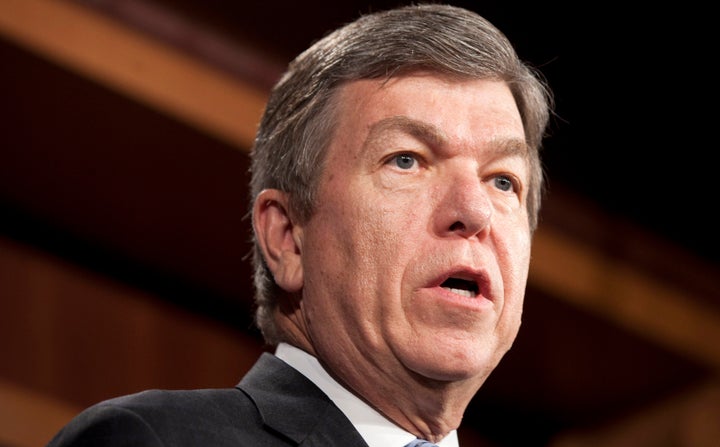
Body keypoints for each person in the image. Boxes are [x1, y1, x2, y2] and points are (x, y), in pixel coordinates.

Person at [46, 3, 553, 446]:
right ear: (287, 237)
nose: (474, 211)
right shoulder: (151, 440)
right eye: (406, 160)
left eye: (503, 181)